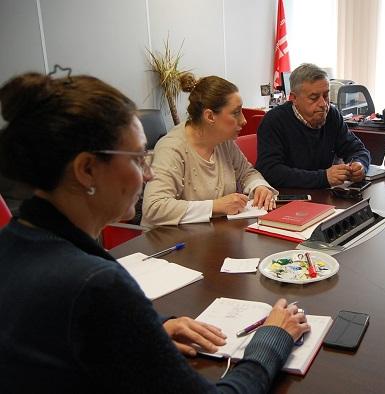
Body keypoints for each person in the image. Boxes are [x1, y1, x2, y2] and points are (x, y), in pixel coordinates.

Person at [0, 72, 310, 392]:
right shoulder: (97, 285)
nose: (148, 175)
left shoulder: (13, 243)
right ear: (87, 169)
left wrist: (152, 327)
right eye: (138, 159)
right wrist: (273, 337)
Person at [142, 74, 277, 227]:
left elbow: (247, 173)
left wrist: (259, 187)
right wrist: (215, 206)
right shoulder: (172, 149)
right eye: (236, 112)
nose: (244, 120)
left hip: (212, 236)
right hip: (169, 243)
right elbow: (154, 207)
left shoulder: (223, 142)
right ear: (210, 116)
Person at [255, 63, 370, 188]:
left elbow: (357, 149)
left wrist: (360, 164)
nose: (323, 104)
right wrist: (323, 177)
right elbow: (270, 171)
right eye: (314, 98)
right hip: (290, 197)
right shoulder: (274, 121)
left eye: (326, 96)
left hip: (325, 196)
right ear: (293, 98)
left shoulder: (332, 114)